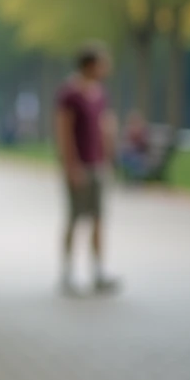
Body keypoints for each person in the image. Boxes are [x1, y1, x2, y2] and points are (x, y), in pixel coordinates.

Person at [55, 43, 120, 295]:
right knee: (74, 218)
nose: (106, 68)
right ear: (90, 65)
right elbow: (63, 131)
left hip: (97, 164)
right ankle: (67, 273)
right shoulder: (69, 94)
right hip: (79, 166)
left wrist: (108, 158)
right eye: (102, 63)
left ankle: (98, 272)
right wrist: (71, 165)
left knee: (99, 219)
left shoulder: (100, 93)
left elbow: (105, 125)